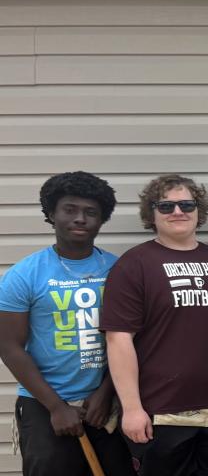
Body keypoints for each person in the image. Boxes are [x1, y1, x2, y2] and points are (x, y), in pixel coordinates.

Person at [101, 174, 208, 476]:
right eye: (166, 206)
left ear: (199, 210)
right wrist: (131, 408)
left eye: (186, 204)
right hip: (163, 417)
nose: (178, 212)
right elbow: (118, 341)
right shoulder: (133, 266)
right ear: (151, 214)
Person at [0, 171, 134, 476]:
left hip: (106, 401)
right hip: (44, 403)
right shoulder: (25, 275)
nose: (80, 219)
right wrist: (56, 406)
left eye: (91, 212)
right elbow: (9, 347)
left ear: (102, 219)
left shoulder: (120, 270)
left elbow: (132, 340)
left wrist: (106, 392)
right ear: (51, 214)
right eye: (70, 209)